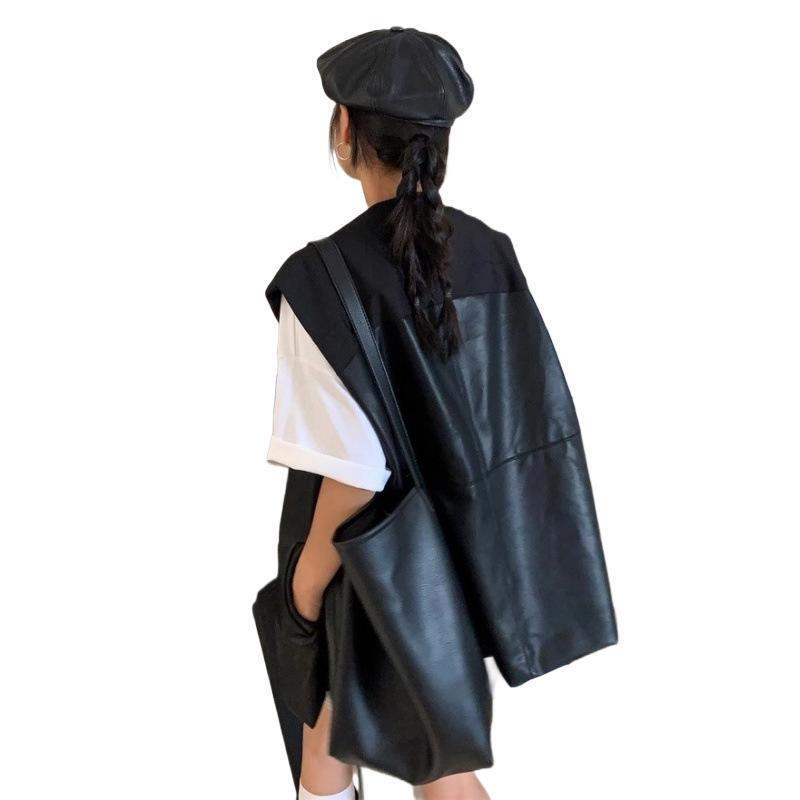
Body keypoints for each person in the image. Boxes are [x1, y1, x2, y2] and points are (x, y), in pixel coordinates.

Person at [257, 27, 617, 800]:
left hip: (363, 562)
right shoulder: (491, 251)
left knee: (385, 766)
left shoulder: (323, 278)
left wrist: (303, 590)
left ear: (345, 131)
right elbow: (527, 416)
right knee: (410, 760)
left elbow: (352, 473)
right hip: (460, 557)